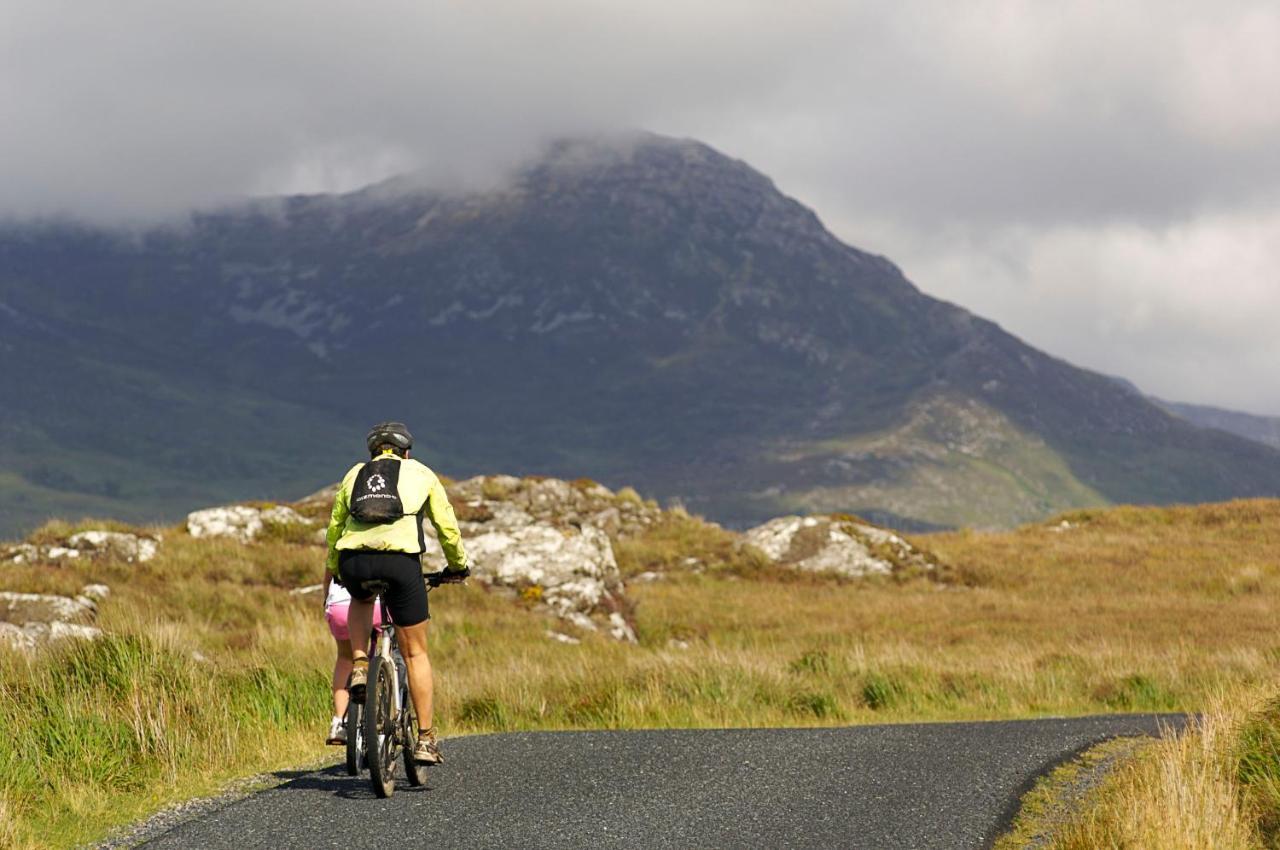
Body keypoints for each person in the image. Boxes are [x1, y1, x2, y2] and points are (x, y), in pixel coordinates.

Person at [325, 421, 469, 764]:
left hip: (354, 560)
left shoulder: (355, 474)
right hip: (400, 564)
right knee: (416, 653)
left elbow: (335, 526)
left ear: (373, 454)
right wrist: (458, 565)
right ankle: (425, 739)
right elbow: (446, 526)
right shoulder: (421, 473)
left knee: (361, 598)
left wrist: (336, 569)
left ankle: (360, 664)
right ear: (407, 452)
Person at [321, 571, 383, 745]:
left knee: (345, 658)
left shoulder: (342, 542)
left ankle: (339, 722)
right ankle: (381, 713)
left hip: (339, 605)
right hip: (377, 604)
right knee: (387, 650)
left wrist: (326, 600)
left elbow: (328, 577)